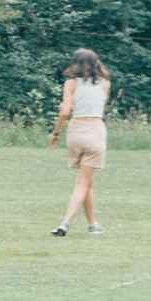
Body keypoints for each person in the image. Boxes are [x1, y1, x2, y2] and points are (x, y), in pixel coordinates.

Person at [48, 48, 110, 237]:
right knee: (83, 182)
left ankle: (93, 224)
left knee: (86, 181)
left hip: (76, 132)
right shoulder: (105, 84)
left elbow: (65, 111)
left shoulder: (70, 84)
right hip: (95, 131)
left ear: (75, 64)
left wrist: (55, 133)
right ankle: (65, 223)